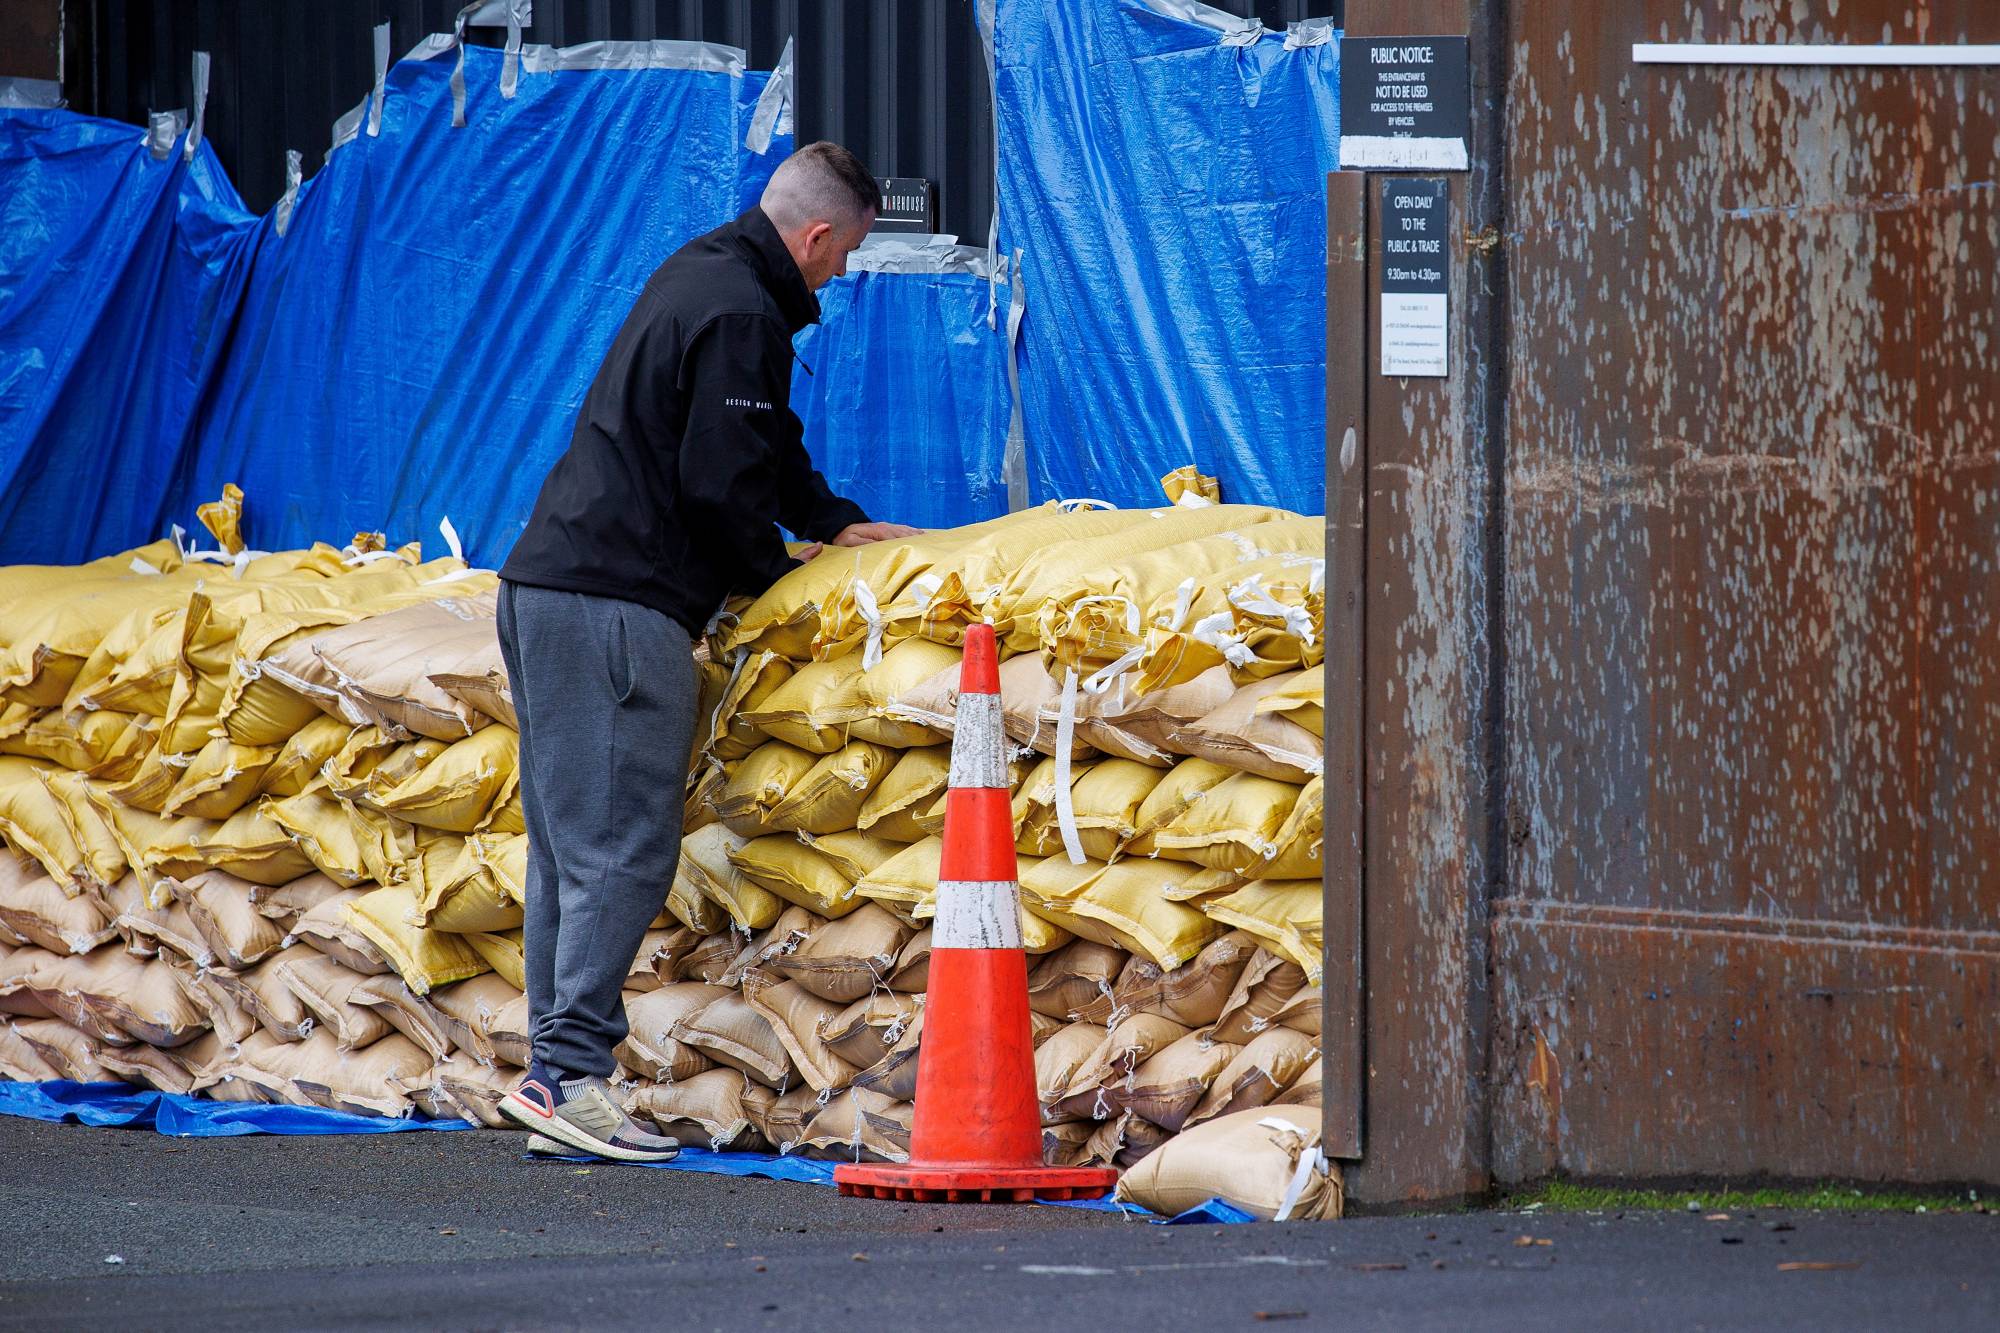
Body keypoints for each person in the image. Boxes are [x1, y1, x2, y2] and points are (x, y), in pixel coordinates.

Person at [494, 142, 916, 1160]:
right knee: (621, 852)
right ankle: (568, 1078)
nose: (842, 274)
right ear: (815, 236)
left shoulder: (703, 274)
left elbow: (758, 446)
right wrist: (782, 586)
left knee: (564, 854)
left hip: (544, 589)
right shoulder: (740, 310)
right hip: (617, 610)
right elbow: (720, 483)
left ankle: (557, 1076)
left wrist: (828, 516)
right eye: (845, 253)